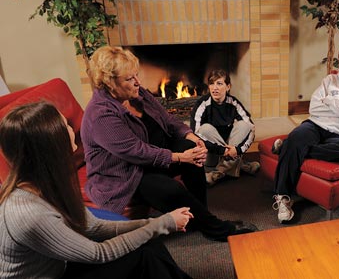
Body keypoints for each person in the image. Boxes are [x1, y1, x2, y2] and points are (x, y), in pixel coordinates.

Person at [81, 46, 257, 242]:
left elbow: (167, 119)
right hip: (126, 172)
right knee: (171, 189)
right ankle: (216, 228)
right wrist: (181, 157)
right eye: (129, 79)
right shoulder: (101, 114)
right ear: (109, 83)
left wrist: (192, 136)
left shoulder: (137, 94)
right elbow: (137, 152)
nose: (137, 82)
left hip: (153, 157)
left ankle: (200, 218)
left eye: (136, 75)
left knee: (193, 152)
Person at [0, 101, 194, 279]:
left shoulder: (48, 185)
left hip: (59, 265)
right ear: (53, 145)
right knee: (142, 253)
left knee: (148, 240)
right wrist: (163, 224)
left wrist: (155, 223)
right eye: (65, 124)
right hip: (57, 274)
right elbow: (99, 253)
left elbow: (94, 227)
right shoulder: (29, 214)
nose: (71, 127)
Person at [271, 44, 339, 223]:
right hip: (315, 124)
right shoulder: (330, 80)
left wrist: (329, 101)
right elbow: (314, 107)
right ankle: (282, 197)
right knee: (299, 135)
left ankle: (289, 146)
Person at [190, 69, 260, 185]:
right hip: (210, 150)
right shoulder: (202, 104)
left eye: (219, 83)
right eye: (211, 83)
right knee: (204, 128)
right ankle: (241, 165)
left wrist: (238, 150)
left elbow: (251, 128)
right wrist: (224, 151)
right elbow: (195, 135)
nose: (214, 88)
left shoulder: (233, 103)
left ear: (228, 87)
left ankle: (217, 172)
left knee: (244, 125)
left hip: (229, 145)